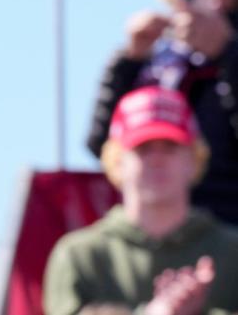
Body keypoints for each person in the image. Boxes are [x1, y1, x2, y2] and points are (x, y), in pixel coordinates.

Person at [86, 0, 238, 224]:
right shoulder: (159, 60)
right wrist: (129, 62)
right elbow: (105, 147)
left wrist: (229, 54)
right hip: (163, 232)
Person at [45, 87, 238, 315]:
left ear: (193, 158)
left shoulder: (231, 252)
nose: (157, 160)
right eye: (142, 149)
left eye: (170, 147)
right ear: (117, 161)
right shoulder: (80, 256)